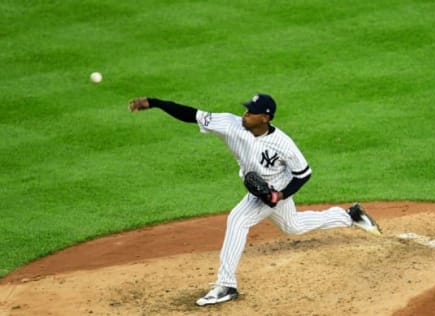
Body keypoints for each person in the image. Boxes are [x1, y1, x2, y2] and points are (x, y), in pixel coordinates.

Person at [128, 93, 382, 306]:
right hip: (260, 188)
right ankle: (349, 215)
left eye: (251, 112)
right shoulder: (229, 124)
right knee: (291, 225)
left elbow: (303, 174)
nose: (245, 115)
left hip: (278, 185)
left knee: (237, 220)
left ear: (265, 117)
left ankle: (226, 285)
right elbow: (190, 114)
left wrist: (280, 195)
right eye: (246, 110)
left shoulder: (283, 143)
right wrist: (154, 102)